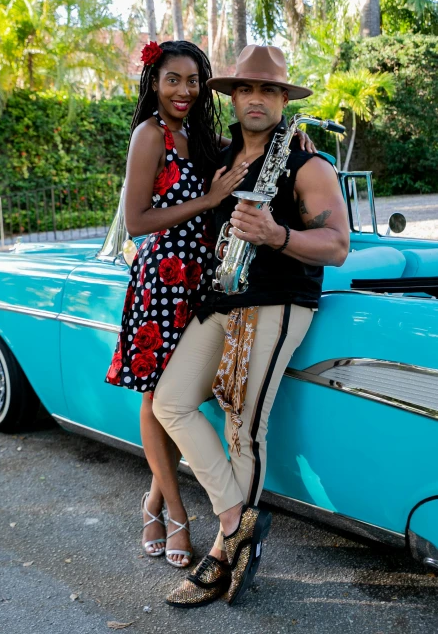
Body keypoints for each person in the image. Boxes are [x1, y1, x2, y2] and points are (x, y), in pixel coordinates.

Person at [105, 40, 316, 569]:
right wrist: (209, 201)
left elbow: (252, 153)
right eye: (172, 79)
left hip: (204, 280)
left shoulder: (205, 139)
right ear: (154, 81)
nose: (183, 90)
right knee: (160, 399)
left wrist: (293, 139)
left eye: (193, 80)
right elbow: (136, 222)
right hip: (162, 279)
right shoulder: (149, 134)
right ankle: (174, 511)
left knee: (187, 401)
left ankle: (153, 499)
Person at [153, 44, 349, 605]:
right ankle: (237, 520)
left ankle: (220, 554)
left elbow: (337, 246)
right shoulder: (222, 160)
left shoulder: (307, 164)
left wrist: (277, 235)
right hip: (222, 302)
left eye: (269, 90)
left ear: (284, 99)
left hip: (278, 302)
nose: (256, 99)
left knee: (244, 427)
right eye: (245, 89)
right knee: (172, 401)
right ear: (233, 98)